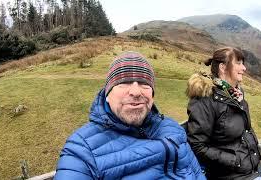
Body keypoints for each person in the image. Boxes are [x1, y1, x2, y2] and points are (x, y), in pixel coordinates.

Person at [55, 51, 206, 179]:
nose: (136, 92)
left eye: (144, 84)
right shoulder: (82, 151)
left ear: (152, 94)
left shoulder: (172, 128)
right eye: (124, 83)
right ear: (107, 94)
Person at [184, 47, 261, 180]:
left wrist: (241, 103)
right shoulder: (205, 99)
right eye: (239, 63)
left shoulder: (235, 94)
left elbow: (245, 130)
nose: (244, 68)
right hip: (231, 173)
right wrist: (235, 161)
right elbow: (197, 146)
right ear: (223, 67)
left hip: (252, 166)